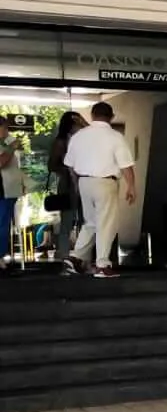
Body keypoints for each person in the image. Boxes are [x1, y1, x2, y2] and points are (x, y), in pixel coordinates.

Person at [63, 101, 136, 279]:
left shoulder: (78, 136)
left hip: (84, 182)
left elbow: (70, 165)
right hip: (105, 182)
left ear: (92, 115)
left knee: (91, 222)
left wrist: (77, 184)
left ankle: (75, 257)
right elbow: (126, 165)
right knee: (107, 223)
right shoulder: (115, 137)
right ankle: (103, 265)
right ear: (111, 117)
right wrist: (131, 186)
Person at [47, 111, 86, 248]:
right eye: (77, 122)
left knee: (85, 221)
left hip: (84, 183)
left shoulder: (84, 138)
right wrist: (69, 169)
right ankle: (64, 255)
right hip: (68, 184)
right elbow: (51, 165)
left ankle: (82, 256)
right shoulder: (61, 141)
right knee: (67, 222)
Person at [0, 117, 23, 270]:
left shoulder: (5, 143)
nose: (7, 131)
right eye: (5, 128)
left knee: (5, 223)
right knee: (1, 223)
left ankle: (1, 254)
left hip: (9, 190)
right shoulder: (7, 146)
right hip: (2, 190)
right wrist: (11, 148)